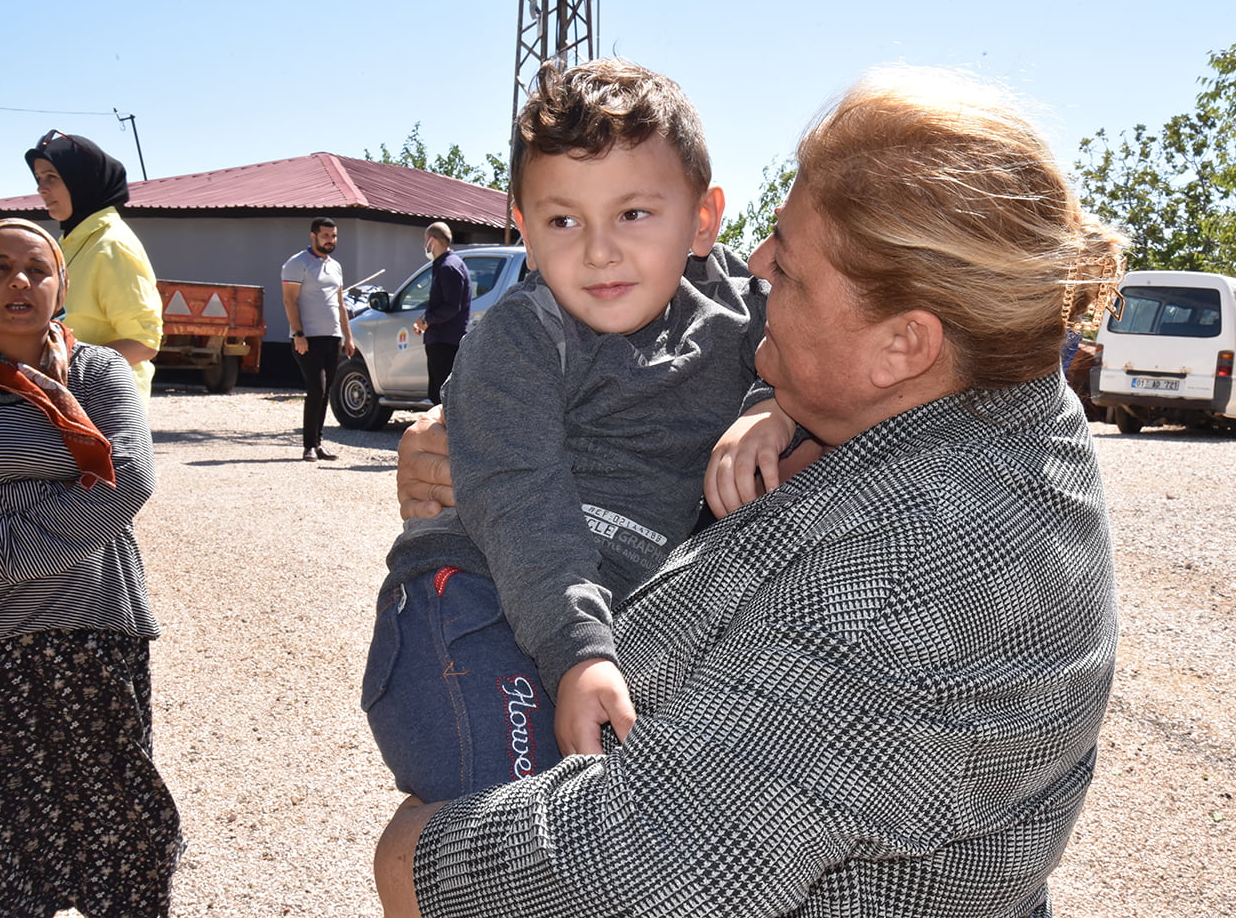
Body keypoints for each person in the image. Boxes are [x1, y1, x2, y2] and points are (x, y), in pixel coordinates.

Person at [373, 66, 1127, 917]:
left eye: (792, 271)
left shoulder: (918, 572)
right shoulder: (986, 395)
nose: (756, 265)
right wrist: (474, 454)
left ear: (902, 346)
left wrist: (415, 859)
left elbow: (655, 867)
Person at [363, 59, 780, 807]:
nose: (597, 250)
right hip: (475, 604)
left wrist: (767, 406)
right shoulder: (520, 338)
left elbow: (806, 351)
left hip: (598, 629)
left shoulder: (740, 320)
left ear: (704, 218)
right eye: (563, 220)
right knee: (518, 833)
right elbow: (526, 507)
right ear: (521, 226)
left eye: (634, 214)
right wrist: (580, 655)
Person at [0, 218, 182, 917]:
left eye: (37, 268)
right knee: (2, 850)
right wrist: (66, 496)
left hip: (95, 631)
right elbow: (96, 492)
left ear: (62, 285)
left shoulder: (98, 371)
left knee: (123, 831)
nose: (18, 281)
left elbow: (126, 482)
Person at [25, 130, 163, 409]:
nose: (41, 188)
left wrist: (68, 371)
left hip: (106, 408)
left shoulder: (112, 245)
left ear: (81, 181)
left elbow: (144, 341)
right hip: (70, 402)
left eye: (51, 177)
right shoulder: (73, 241)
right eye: (39, 178)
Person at [281, 216, 354, 461]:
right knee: (316, 388)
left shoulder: (336, 266)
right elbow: (289, 300)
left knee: (326, 391)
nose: (330, 241)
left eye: (333, 236)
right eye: (325, 236)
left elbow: (340, 304)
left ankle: (319, 444)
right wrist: (298, 334)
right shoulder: (296, 264)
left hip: (332, 337)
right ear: (313, 236)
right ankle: (308, 445)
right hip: (308, 338)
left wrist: (348, 336)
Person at [410, 221, 471, 405]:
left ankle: (446, 434)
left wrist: (426, 320)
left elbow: (451, 307)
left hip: (445, 340)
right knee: (439, 395)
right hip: (443, 339)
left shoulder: (448, 267)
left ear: (433, 240)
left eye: (425, 241)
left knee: (442, 397)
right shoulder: (448, 264)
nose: (424, 246)